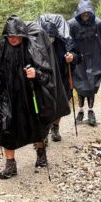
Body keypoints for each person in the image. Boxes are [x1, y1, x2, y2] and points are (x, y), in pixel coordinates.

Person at [0, 15, 61, 178]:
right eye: (9, 36)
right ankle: (10, 165)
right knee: (6, 127)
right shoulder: (4, 44)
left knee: (36, 123)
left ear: (22, 34)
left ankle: (41, 152)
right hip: (8, 94)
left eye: (16, 36)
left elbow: (46, 73)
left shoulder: (31, 46)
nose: (13, 39)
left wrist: (35, 73)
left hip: (30, 94)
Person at [67, 0, 101, 127]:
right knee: (80, 85)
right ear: (79, 13)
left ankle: (90, 111)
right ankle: (81, 110)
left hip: (95, 59)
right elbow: (67, 41)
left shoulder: (98, 23)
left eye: (88, 13)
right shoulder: (72, 24)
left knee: (92, 85)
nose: (86, 15)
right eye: (83, 13)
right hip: (78, 60)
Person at [37, 13, 75, 142]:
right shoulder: (37, 45)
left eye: (51, 36)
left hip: (61, 78)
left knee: (60, 105)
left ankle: (55, 127)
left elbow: (77, 55)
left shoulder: (64, 43)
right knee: (44, 106)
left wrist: (72, 57)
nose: (49, 39)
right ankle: (44, 132)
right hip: (43, 80)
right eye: (47, 36)